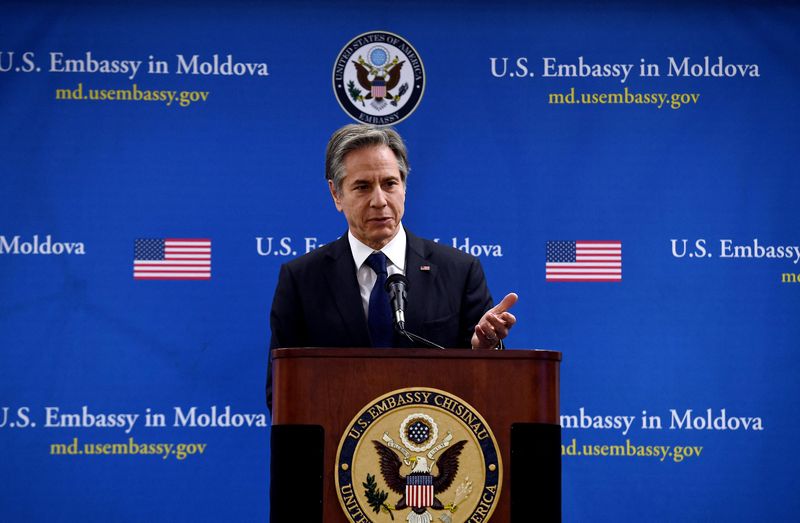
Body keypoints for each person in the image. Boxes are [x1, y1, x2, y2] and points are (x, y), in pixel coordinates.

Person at [267, 124, 517, 408]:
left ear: (404, 186)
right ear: (336, 194)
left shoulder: (459, 271)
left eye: (389, 184)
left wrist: (484, 348)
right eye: (362, 187)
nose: (379, 201)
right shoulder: (301, 280)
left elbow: (487, 386)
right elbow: (281, 391)